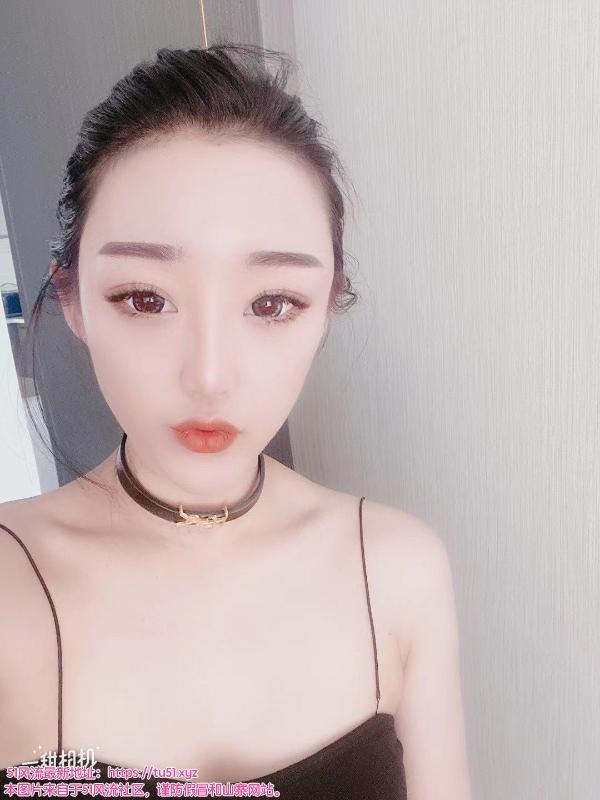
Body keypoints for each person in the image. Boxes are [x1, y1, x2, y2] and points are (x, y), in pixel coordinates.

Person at [0, 44, 471, 799]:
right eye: (145, 299)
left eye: (272, 303)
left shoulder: (397, 568)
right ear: (74, 299)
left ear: (326, 309)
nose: (210, 375)